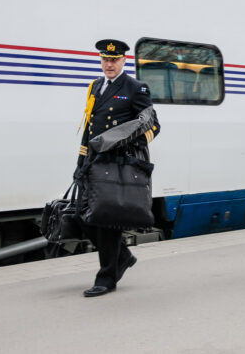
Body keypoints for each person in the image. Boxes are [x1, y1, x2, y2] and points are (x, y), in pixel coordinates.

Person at [75, 39, 160, 297]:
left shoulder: (135, 88)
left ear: (124, 60)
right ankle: (122, 256)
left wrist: (122, 144)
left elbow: (153, 125)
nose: (109, 64)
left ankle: (107, 277)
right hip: (93, 161)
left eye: (114, 60)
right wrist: (81, 162)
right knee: (83, 215)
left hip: (116, 164)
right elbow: (89, 127)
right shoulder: (95, 86)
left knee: (107, 220)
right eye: (105, 59)